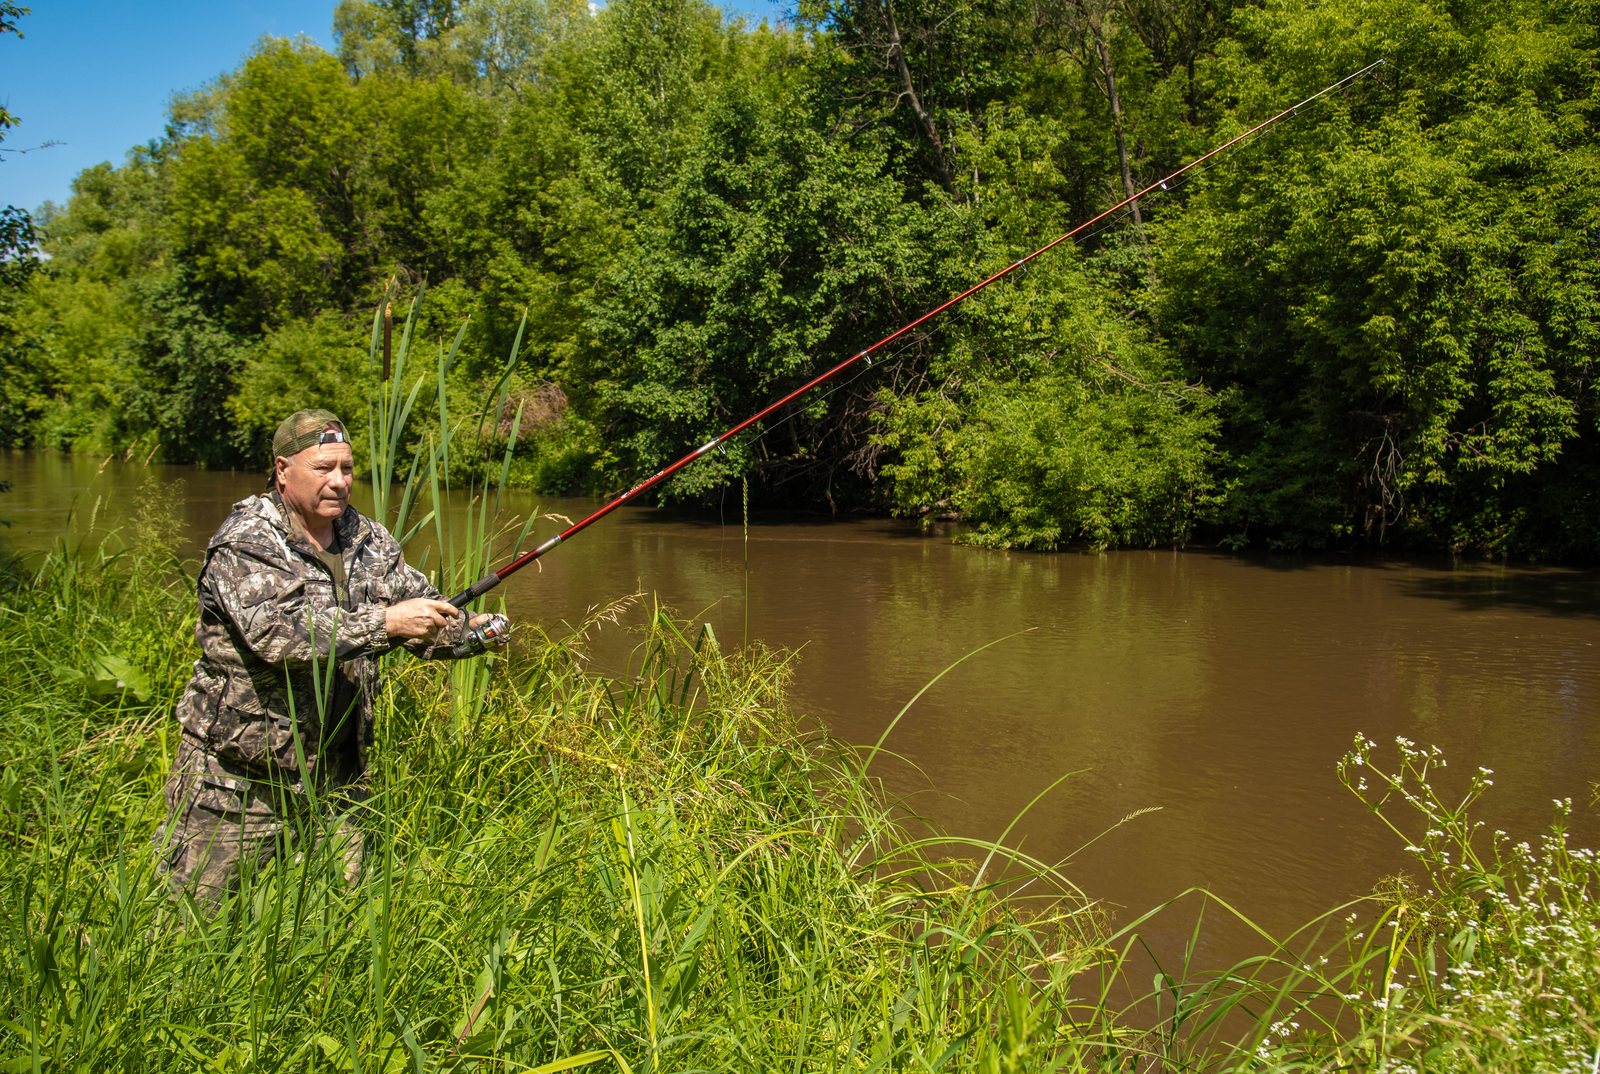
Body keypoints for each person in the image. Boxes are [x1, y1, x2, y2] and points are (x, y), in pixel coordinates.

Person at [154, 408, 505, 907]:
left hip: (337, 777)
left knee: (334, 924)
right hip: (239, 781)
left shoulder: (368, 537)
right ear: (282, 470)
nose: (339, 482)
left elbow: (417, 617)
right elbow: (276, 635)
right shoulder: (247, 539)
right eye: (323, 468)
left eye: (346, 468)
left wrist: (470, 632)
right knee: (193, 927)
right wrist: (387, 622)